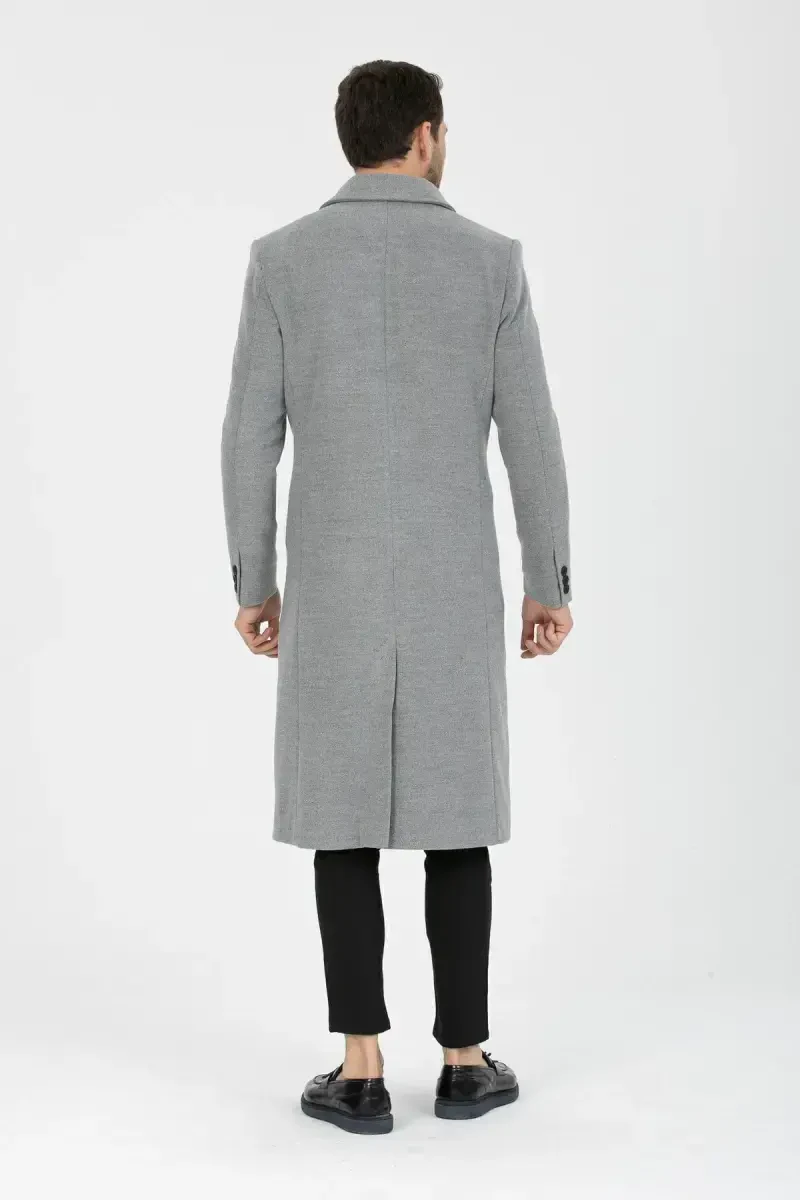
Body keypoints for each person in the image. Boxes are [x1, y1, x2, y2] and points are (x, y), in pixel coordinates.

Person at [220, 59, 573, 1135]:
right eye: (442, 131)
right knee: (456, 819)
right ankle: (464, 1060)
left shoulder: (283, 260)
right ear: (424, 135)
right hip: (454, 583)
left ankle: (361, 1069)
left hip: (331, 586)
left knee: (343, 823)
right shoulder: (490, 261)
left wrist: (255, 582)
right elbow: (532, 438)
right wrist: (546, 581)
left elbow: (248, 438)